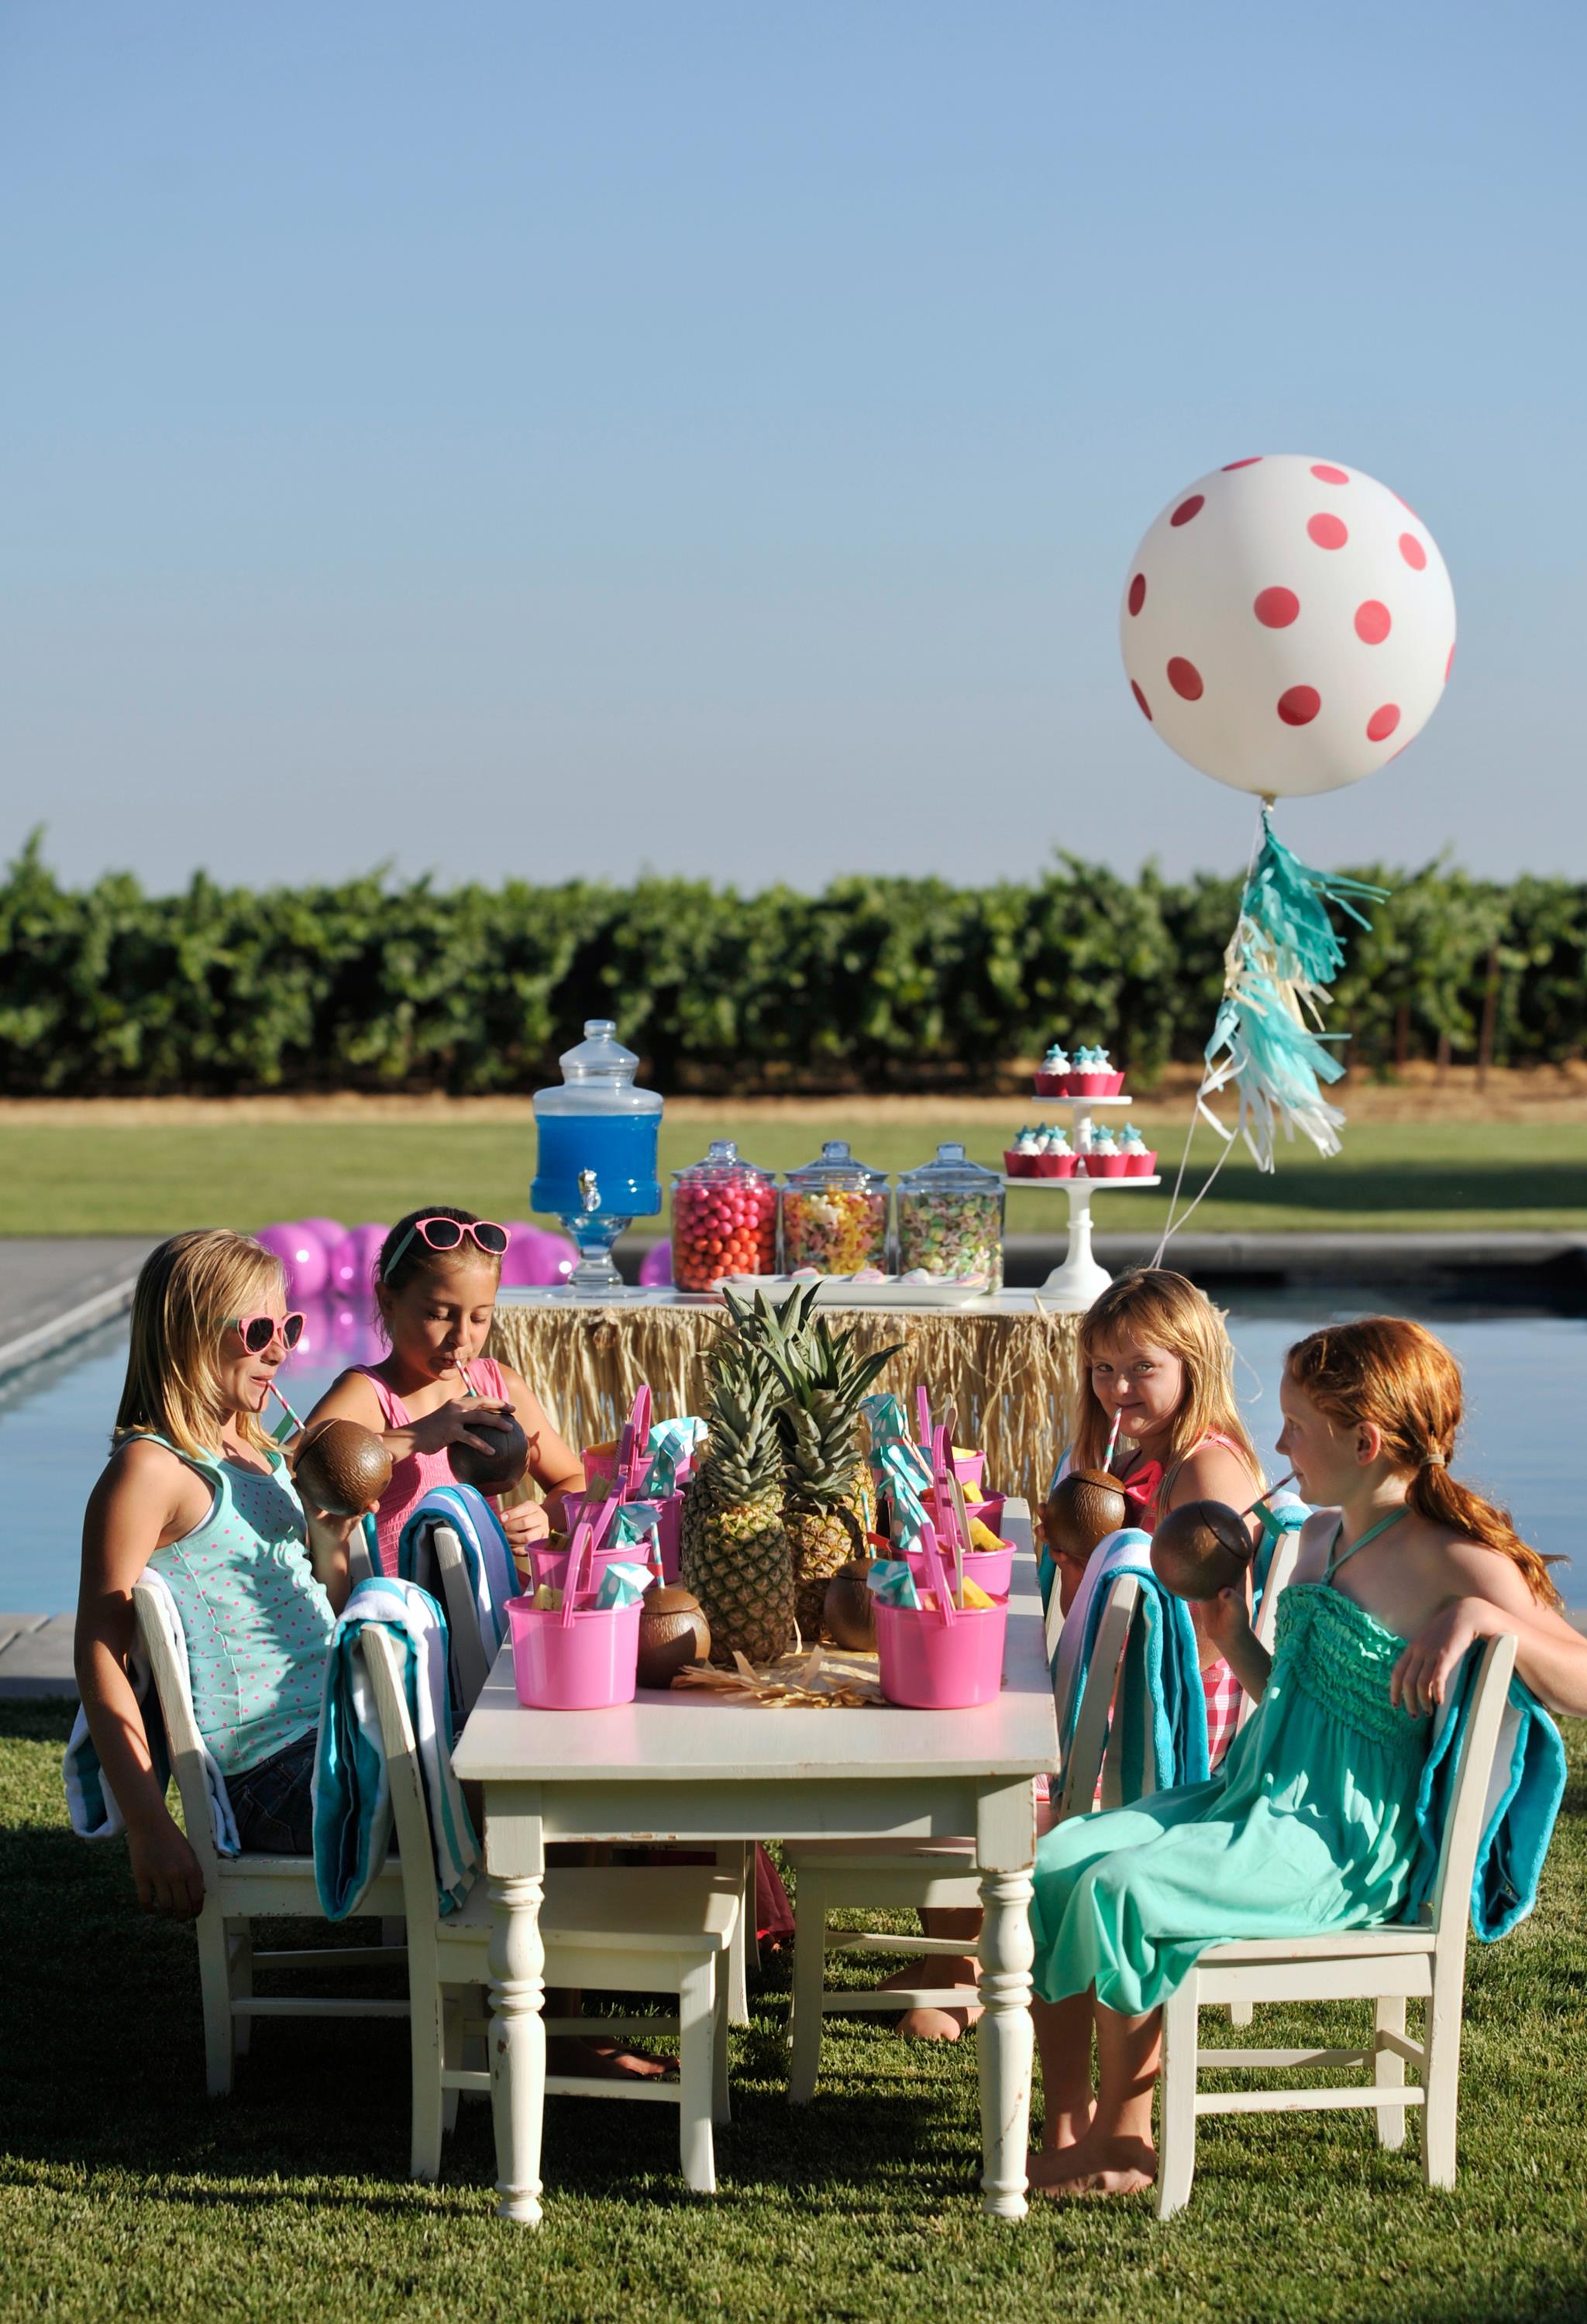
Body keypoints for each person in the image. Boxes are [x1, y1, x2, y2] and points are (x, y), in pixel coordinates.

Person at [1027, 1314, 1587, 2200]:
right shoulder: (1323, 1537)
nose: (1276, 1442)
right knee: (1058, 1857)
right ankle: (1066, 2122)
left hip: (1342, 1843)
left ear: (1362, 1441)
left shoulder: (1455, 1559)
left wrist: (1489, 1621)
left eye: (1294, 1425)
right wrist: (1230, 1637)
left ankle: (1123, 2143)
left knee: (1123, 1888)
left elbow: (1581, 1680)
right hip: (1250, 1794)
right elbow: (1291, 1701)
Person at [894, 1271, 1269, 2046]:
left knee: (970, 1749)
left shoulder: (1204, 1470)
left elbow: (1200, 1640)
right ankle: (952, 1951)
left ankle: (963, 1966)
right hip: (1118, 1682)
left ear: (1192, 1365)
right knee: (948, 1707)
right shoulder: (1126, 1457)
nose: (1115, 1387)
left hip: (1171, 1717)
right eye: (1102, 1368)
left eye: (1140, 1369)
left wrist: (1093, 1640)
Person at [74, 1231, 370, 1913]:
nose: (281, 1348)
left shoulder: (259, 1453)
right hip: (272, 1776)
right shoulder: (151, 1470)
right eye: (259, 1329)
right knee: (486, 1786)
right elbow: (99, 1651)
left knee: (499, 1753)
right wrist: (149, 1828)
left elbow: (310, 1612)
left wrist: (328, 1545)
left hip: (332, 1733)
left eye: (289, 1326)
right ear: (186, 1337)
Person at [303, 1206, 584, 1575]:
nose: (462, 1337)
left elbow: (576, 1481)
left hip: (485, 1611)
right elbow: (290, 1473)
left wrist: (545, 1517)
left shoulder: (496, 1387)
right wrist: (417, 1435)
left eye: (480, 1317)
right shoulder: (369, 1394)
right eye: (439, 1314)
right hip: (399, 1622)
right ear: (388, 1301)